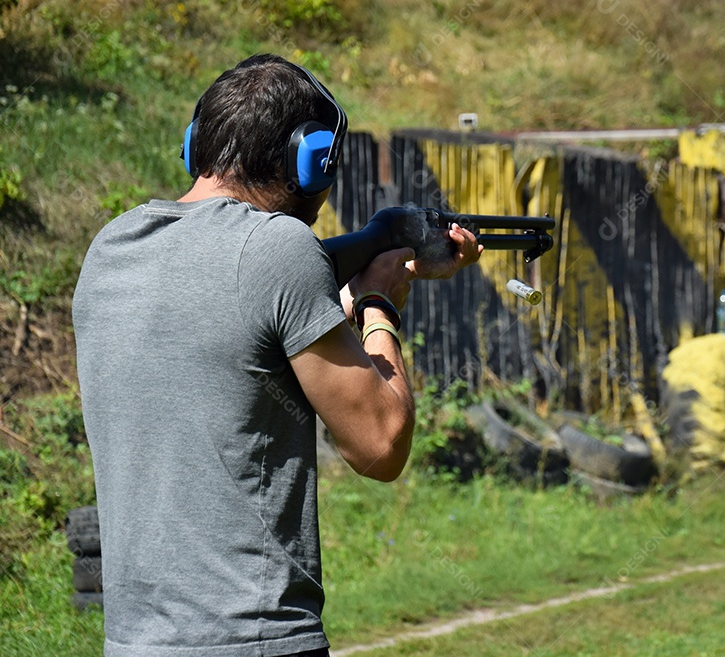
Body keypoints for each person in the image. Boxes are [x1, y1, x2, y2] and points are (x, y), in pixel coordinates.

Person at [72, 54, 481, 657]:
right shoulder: (281, 251)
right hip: (254, 637)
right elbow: (381, 446)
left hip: (135, 642)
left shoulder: (113, 246)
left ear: (196, 147)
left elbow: (237, 293)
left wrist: (373, 241)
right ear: (310, 160)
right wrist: (377, 300)